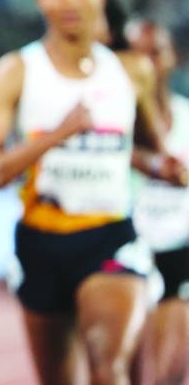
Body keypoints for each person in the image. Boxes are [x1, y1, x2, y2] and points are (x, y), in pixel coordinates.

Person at [0, 0, 187, 385]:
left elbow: (149, 145)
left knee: (108, 369)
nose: (69, 1)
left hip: (109, 238)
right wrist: (58, 134)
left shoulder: (131, 72)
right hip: (41, 240)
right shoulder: (16, 71)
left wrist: (161, 167)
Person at [127, 19, 189, 385]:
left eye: (156, 52)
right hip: (127, 254)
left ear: (173, 59)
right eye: (137, 54)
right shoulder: (112, 122)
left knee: (168, 378)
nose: (146, 62)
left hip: (180, 253)